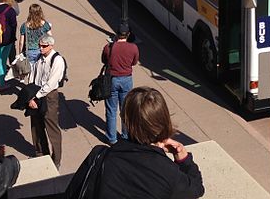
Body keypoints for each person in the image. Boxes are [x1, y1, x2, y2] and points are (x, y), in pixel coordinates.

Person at [65, 87, 204, 199]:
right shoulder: (168, 172)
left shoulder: (100, 156)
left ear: (125, 121)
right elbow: (196, 189)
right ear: (163, 120)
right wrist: (184, 159)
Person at [27, 35, 65, 168]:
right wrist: (30, 95)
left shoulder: (57, 60)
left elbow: (51, 83)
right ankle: (41, 154)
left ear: (51, 45)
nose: (41, 48)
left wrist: (36, 97)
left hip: (49, 97)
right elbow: (33, 75)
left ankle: (56, 160)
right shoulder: (39, 58)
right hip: (36, 93)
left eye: (44, 46)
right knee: (36, 127)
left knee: (51, 128)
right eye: (40, 45)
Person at [101, 24, 139, 145]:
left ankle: (112, 138)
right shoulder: (133, 47)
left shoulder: (109, 47)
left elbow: (104, 60)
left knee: (111, 109)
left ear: (116, 34)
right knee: (126, 109)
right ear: (128, 34)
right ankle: (126, 135)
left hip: (112, 80)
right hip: (127, 80)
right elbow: (134, 62)